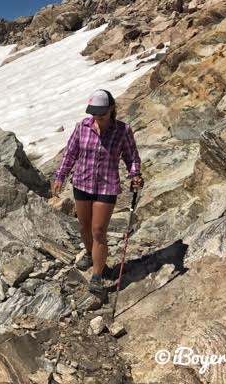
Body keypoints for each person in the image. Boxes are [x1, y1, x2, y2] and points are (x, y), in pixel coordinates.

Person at [52, 89, 144, 299]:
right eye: (94, 113)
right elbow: (70, 154)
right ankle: (89, 253)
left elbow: (132, 158)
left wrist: (135, 175)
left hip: (107, 186)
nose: (97, 118)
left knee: (98, 230)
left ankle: (97, 276)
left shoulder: (123, 131)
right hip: (82, 183)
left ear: (111, 109)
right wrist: (60, 177)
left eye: (101, 113)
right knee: (84, 226)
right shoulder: (82, 128)